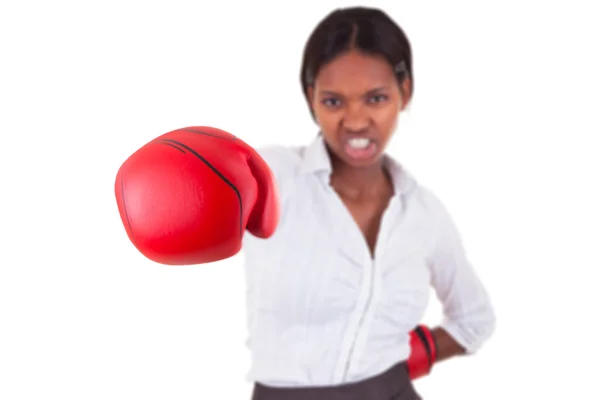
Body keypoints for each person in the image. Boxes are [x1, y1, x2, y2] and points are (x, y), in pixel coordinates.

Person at [114, 6, 496, 400]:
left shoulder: (424, 213)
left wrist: (399, 365)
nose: (356, 120)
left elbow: (474, 319)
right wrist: (172, 188)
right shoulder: (273, 178)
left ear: (405, 92)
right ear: (310, 98)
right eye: (333, 102)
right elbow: (197, 182)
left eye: (376, 98)